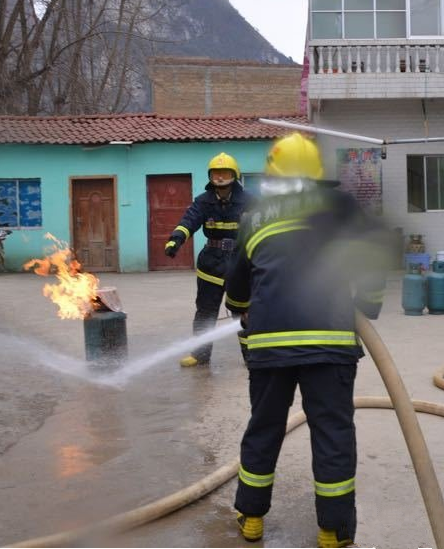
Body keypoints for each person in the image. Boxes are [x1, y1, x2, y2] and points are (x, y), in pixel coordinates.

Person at [224, 133, 387, 548]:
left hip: (268, 347)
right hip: (330, 344)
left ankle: (253, 518)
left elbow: (237, 290)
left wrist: (243, 307)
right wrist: (367, 303)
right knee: (332, 432)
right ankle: (332, 530)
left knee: (264, 429)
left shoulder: (255, 216)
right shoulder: (342, 207)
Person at [164, 152, 251, 367]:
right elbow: (189, 220)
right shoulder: (203, 202)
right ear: (210, 176)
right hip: (211, 264)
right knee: (205, 310)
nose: (220, 178)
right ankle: (200, 355)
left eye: (225, 173)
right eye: (216, 174)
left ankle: (251, 356)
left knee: (242, 312)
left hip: (240, 264)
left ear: (235, 175)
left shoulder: (250, 201)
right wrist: (176, 240)